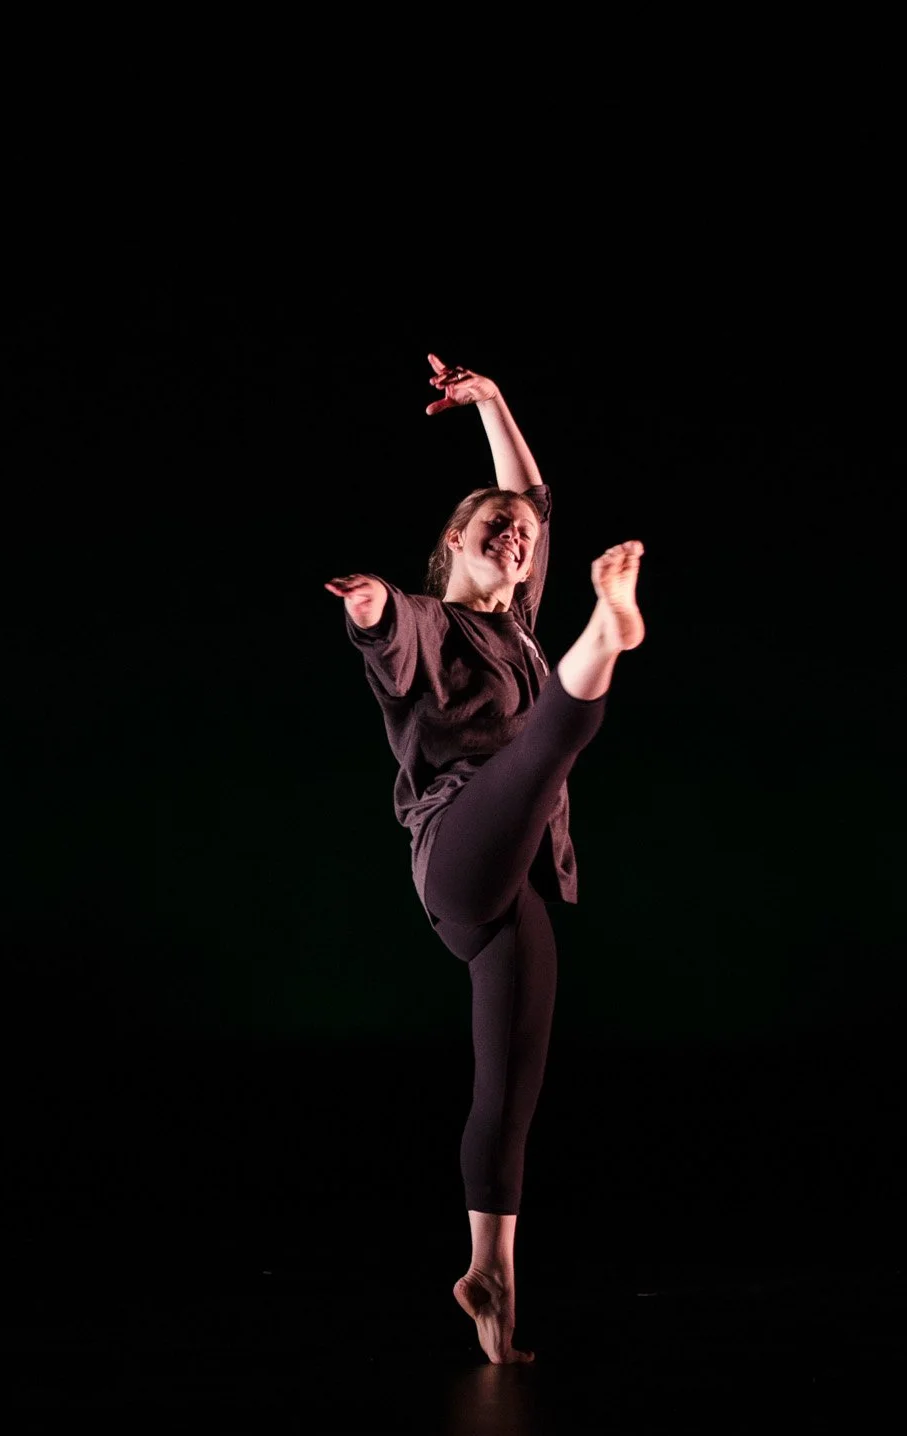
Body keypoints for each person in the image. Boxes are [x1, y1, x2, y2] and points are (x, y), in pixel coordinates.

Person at [325, 355, 644, 1364]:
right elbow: (382, 627)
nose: (515, 537)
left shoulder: (516, 624)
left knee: (509, 1084)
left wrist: (495, 400)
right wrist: (371, 602)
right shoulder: (432, 623)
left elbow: (533, 498)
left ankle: (490, 1277)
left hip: (513, 892)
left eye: (523, 539)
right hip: (456, 851)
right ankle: (616, 632)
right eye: (493, 529)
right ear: (455, 542)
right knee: (544, 744)